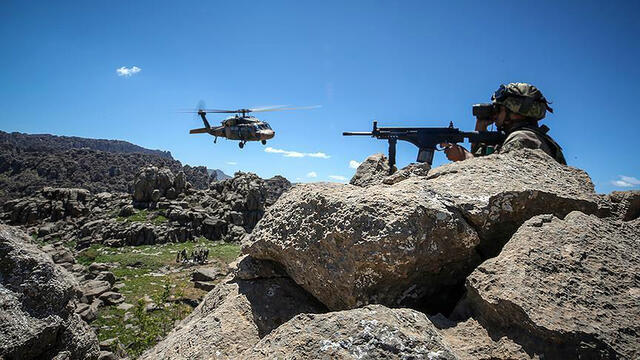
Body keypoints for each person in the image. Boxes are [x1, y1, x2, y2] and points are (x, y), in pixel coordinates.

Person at [443, 83, 566, 164]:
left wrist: (464, 156)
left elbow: (500, 178)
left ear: (515, 112)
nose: (494, 115)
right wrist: (480, 128)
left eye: (499, 109)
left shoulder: (523, 138)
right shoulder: (526, 137)